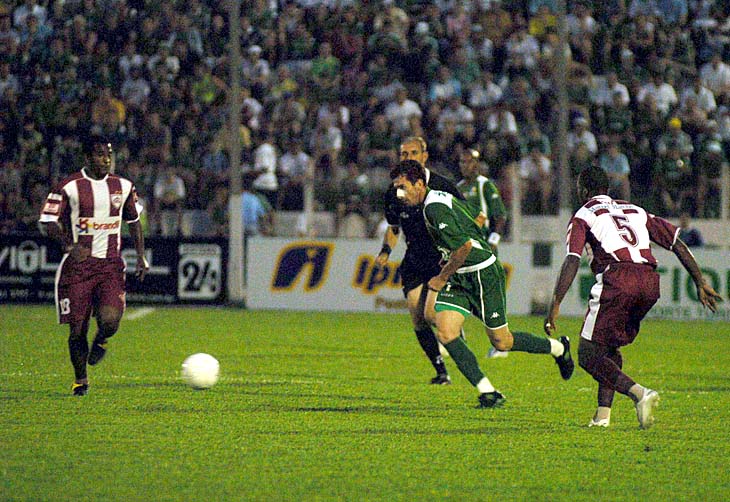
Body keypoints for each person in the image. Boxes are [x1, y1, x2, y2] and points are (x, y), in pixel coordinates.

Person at [544, 166, 721, 428]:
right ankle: (602, 416)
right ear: (607, 188)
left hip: (618, 279)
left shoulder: (583, 215)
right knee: (608, 347)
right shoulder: (635, 209)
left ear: (583, 190)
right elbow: (676, 242)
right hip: (649, 282)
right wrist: (700, 280)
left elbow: (572, 259)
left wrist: (555, 303)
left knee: (587, 354)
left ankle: (640, 394)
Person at [392, 160, 574, 408]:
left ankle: (558, 348)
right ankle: (488, 392)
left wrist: (441, 277)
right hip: (460, 274)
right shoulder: (437, 199)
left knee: (501, 341)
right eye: (397, 188)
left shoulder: (434, 207)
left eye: (403, 187)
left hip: (482, 273)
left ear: (420, 184)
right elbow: (476, 219)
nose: (399, 194)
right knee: (446, 332)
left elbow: (464, 247)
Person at [38, 134, 149, 396]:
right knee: (77, 329)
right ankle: (81, 381)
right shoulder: (69, 186)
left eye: (109, 155)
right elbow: (48, 221)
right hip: (78, 268)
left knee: (110, 321)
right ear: (87, 157)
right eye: (100, 154)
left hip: (110, 266)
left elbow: (134, 221)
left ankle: (102, 338)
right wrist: (69, 245)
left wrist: (140, 256)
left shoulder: (124, 186)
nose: (106, 160)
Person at [375, 137, 464, 385]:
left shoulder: (442, 186)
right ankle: (441, 372)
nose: (408, 158)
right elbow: (394, 227)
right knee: (417, 317)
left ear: (425, 156)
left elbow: (469, 215)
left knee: (432, 315)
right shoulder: (394, 190)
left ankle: (455, 329)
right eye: (404, 154)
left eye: (413, 153)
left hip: (441, 259)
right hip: (414, 258)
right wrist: (385, 251)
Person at [457, 148, 509, 359]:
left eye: (468, 162)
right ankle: (455, 335)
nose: (464, 165)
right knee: (461, 289)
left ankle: (501, 343)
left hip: (484, 247)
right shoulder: (458, 188)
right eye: (462, 162)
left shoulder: (484, 185)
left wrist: (493, 240)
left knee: (487, 295)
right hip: (464, 246)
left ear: (476, 164)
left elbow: (500, 215)